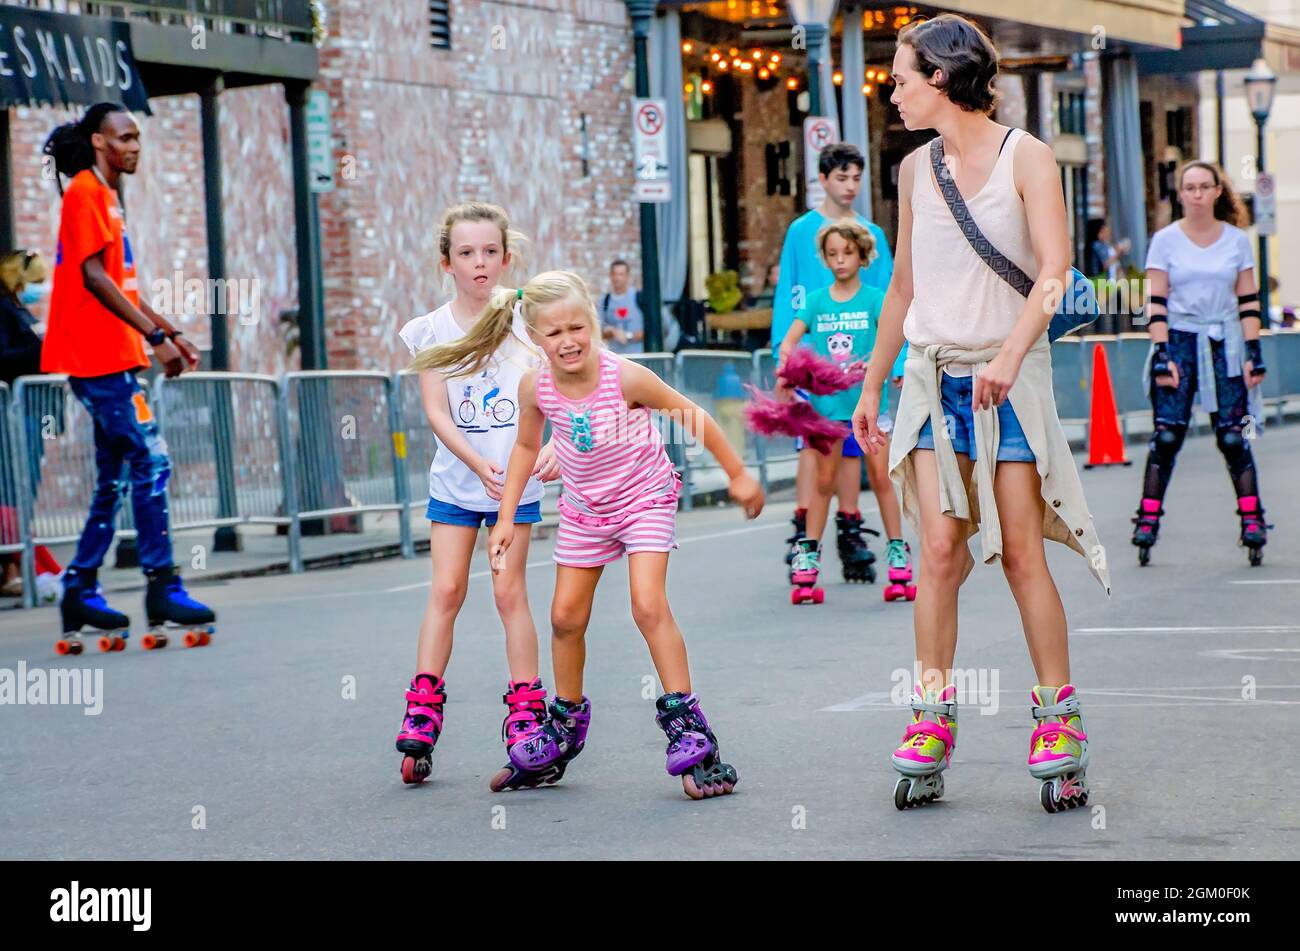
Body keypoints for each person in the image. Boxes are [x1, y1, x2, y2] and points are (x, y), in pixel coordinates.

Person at [852, 14, 1109, 813]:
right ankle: (931, 715)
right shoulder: (911, 171)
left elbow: (1057, 272)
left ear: (940, 77)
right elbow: (903, 288)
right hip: (931, 380)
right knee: (935, 549)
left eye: (898, 78)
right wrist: (871, 385)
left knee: (1022, 553)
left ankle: (1057, 718)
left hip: (1008, 378)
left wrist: (1007, 354)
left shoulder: (1025, 156)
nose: (889, 91)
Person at [416, 270, 763, 800]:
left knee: (647, 605)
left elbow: (692, 416)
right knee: (564, 618)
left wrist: (737, 474)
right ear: (534, 339)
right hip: (584, 510)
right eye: (553, 333)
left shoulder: (625, 376)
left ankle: (688, 725)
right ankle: (565, 724)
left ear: (594, 325)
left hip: (644, 496)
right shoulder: (536, 386)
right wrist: (505, 518)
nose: (568, 340)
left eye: (577, 327)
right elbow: (527, 450)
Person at [393, 201, 561, 789]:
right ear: (447, 263)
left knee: (508, 591)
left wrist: (553, 449)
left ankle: (525, 714)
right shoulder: (431, 331)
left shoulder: (529, 322)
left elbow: (561, 392)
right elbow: (437, 413)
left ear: (507, 255)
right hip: (458, 484)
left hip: (515, 487)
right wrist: (476, 462)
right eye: (466, 253)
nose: (479, 262)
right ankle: (423, 709)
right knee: (446, 589)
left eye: (490, 251)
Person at [41, 102, 215, 654]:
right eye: (124, 137)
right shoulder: (85, 194)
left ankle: (79, 589)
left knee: (114, 476)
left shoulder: (108, 199)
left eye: (137, 137)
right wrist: (157, 340)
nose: (134, 146)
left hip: (113, 355)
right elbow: (93, 278)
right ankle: (162, 586)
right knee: (152, 459)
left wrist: (171, 331)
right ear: (99, 142)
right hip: (95, 359)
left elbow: (124, 287)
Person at [770, 142, 903, 578]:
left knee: (854, 445)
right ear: (823, 179)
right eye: (840, 177)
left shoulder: (872, 236)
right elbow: (789, 297)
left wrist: (896, 361)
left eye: (855, 178)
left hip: (861, 364)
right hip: (812, 360)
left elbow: (892, 303)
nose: (849, 186)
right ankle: (804, 535)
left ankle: (850, 530)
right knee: (815, 448)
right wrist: (784, 361)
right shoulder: (800, 231)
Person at [1131, 161, 1269, 567]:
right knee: (1167, 436)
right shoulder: (1166, 240)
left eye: (1203, 187)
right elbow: (1155, 300)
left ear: (1216, 192)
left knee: (1232, 437)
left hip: (1224, 342)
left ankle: (1252, 520)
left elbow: (1247, 301)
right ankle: (1148, 519)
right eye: (1188, 187)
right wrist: (1161, 354)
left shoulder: (1236, 241)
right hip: (1178, 339)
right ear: (1181, 193)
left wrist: (1253, 352)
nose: (1195, 194)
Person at [0, 250, 63, 601]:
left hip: (30, 412)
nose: (39, 290)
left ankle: (16, 567)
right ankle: (13, 569)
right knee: (11, 489)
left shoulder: (19, 311)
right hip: (12, 413)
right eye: (34, 283)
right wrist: (44, 351)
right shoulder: (5, 310)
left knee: (21, 488)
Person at [598, 260, 645, 355]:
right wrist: (612, 331)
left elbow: (653, 330)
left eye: (621, 274)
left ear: (627, 276)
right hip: (616, 358)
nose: (617, 278)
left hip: (639, 357)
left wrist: (627, 335)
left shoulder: (639, 297)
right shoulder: (605, 300)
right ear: (610, 276)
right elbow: (599, 333)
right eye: (614, 274)